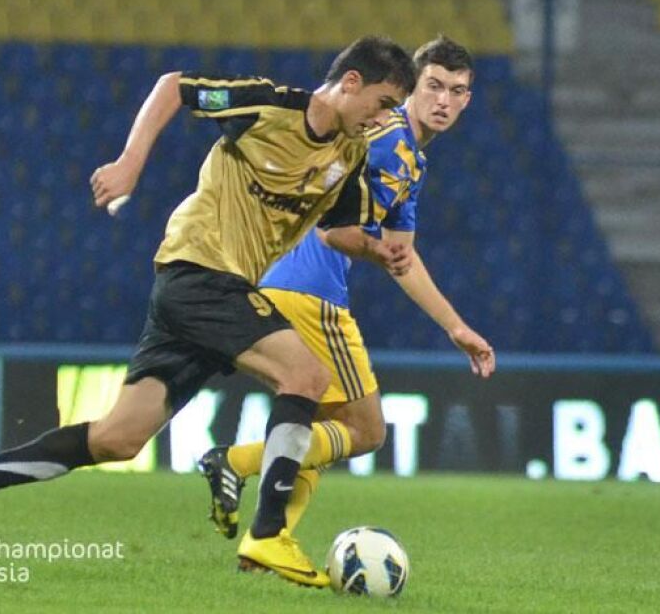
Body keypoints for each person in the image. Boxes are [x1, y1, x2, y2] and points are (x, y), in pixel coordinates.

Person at [0, 35, 417, 589]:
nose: (384, 119)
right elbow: (172, 87)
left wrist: (380, 251)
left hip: (208, 290)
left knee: (118, 438)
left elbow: (339, 230)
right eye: (383, 103)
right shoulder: (268, 107)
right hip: (200, 271)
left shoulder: (349, 155)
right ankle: (269, 532)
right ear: (351, 82)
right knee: (306, 376)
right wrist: (129, 164)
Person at [199, 35, 495, 553]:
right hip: (308, 287)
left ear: (468, 99)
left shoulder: (411, 162)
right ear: (411, 88)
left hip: (273, 281)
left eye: (456, 91)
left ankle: (267, 544)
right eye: (433, 86)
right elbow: (329, 220)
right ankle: (236, 462)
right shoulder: (382, 135)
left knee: (323, 427)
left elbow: (402, 259)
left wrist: (455, 326)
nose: (443, 100)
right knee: (366, 430)